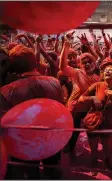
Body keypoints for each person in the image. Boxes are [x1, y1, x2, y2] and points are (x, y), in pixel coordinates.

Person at [0, 44, 64, 179]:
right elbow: (60, 110)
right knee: (53, 172)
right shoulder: (55, 82)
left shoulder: (6, 91)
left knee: (29, 175)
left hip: (24, 144)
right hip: (53, 138)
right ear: (35, 62)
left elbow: (4, 125)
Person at [78, 65, 112, 175]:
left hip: (108, 123)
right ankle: (94, 161)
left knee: (107, 148)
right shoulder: (97, 85)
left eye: (110, 70)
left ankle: (108, 161)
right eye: (105, 70)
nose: (107, 71)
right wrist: (93, 98)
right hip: (93, 121)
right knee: (93, 147)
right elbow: (80, 99)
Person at [59, 34, 99, 154]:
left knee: (91, 132)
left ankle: (94, 156)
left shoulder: (98, 77)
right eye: (84, 62)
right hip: (75, 108)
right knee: (73, 131)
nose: (87, 64)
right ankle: (69, 151)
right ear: (80, 64)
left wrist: (88, 45)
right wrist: (66, 44)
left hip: (88, 109)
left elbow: (96, 57)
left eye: (89, 62)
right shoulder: (77, 73)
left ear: (94, 64)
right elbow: (62, 66)